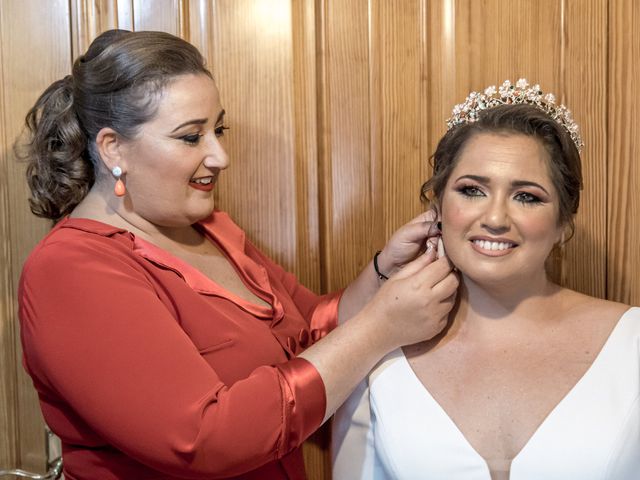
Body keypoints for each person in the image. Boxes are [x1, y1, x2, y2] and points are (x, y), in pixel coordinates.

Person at [15, 29, 460, 480]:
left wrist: (384, 272)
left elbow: (312, 333)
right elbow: (204, 441)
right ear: (115, 148)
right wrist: (380, 329)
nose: (220, 156)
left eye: (218, 129)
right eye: (191, 137)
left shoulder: (211, 231)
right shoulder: (71, 270)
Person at [332, 79, 640, 480]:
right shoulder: (382, 349)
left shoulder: (632, 344)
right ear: (439, 207)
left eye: (526, 196)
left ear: (564, 222)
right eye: (472, 190)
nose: (495, 219)